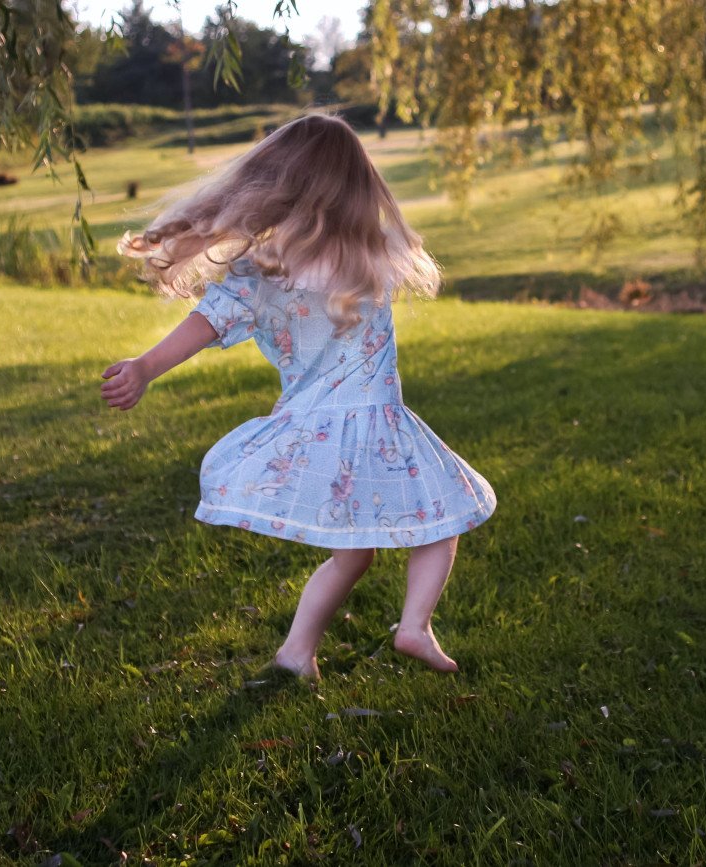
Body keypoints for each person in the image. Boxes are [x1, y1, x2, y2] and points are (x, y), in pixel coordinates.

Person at [99, 113, 496, 682]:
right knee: (443, 515)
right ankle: (413, 625)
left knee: (353, 554)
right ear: (359, 187)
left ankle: (296, 654)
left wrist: (145, 367)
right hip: (381, 425)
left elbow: (205, 323)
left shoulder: (264, 272)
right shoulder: (374, 257)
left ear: (274, 187)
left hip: (314, 429)